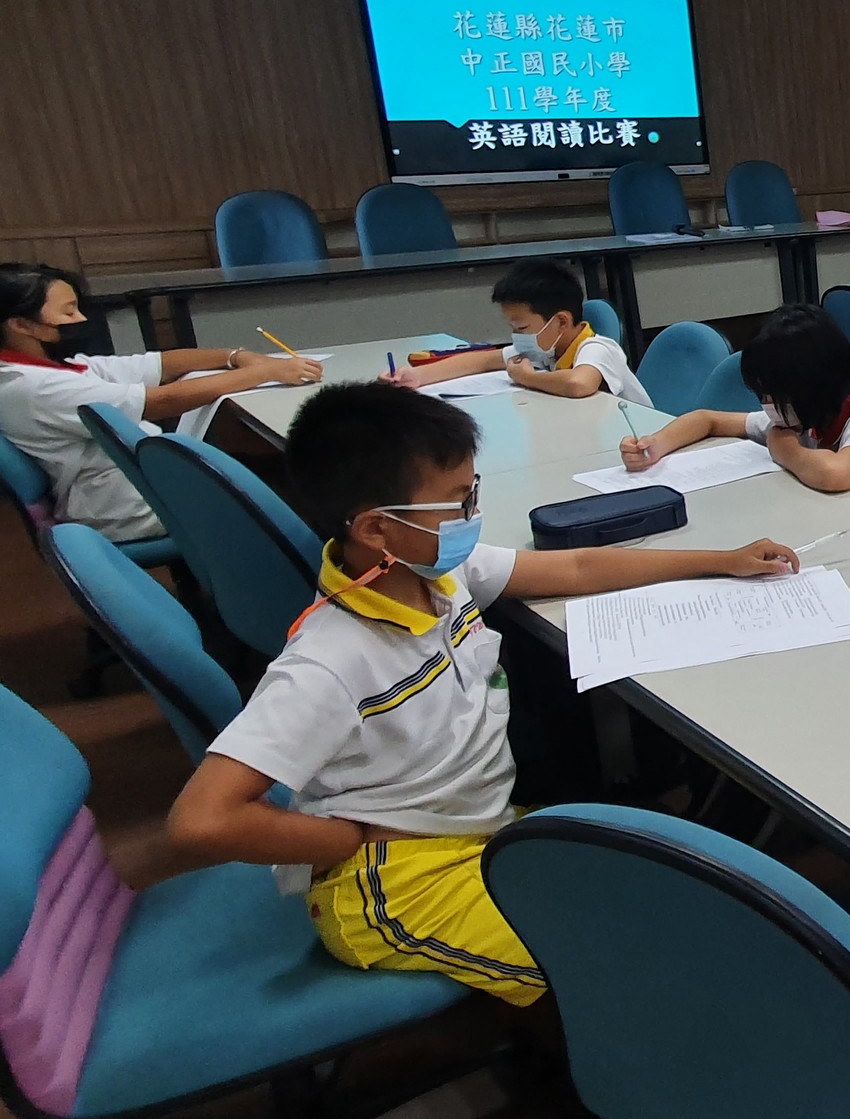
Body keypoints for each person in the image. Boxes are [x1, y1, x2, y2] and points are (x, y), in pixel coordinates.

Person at [164, 383, 799, 1002]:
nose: (472, 515)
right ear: (378, 529)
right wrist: (341, 842)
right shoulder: (329, 661)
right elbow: (201, 821)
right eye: (456, 501)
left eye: (473, 492)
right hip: (403, 882)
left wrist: (719, 559)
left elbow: (576, 566)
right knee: (630, 957)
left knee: (672, 894)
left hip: (481, 826)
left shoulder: (438, 575)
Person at [0, 262, 323, 541]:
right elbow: (161, 401)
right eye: (68, 312)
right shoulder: (32, 387)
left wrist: (235, 356)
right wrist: (266, 372)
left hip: (143, 476)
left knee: (282, 470)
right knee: (303, 484)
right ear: (21, 325)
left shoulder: (49, 368)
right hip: (128, 502)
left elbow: (159, 363)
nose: (80, 318)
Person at [622, 302, 850, 504]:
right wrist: (655, 445)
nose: (767, 406)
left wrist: (783, 449)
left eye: (774, 396)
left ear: (813, 388)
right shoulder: (801, 419)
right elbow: (707, 420)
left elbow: (835, 474)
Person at [386, 259, 650, 403]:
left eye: (522, 328)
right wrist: (417, 376)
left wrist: (526, 377)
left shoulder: (597, 348)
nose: (518, 336)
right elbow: (482, 361)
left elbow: (578, 384)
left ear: (561, 321)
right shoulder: (547, 348)